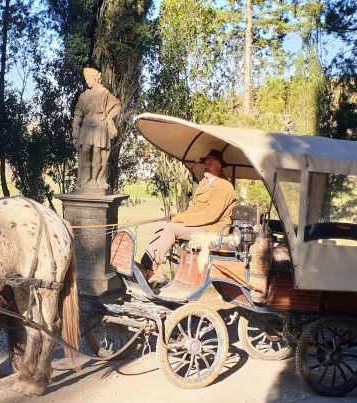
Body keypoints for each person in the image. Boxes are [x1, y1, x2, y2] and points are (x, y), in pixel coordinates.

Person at [139, 150, 236, 279]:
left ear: (219, 165)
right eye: (205, 162)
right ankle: (144, 264)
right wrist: (179, 216)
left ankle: (148, 270)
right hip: (202, 225)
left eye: (210, 162)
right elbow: (196, 210)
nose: (206, 164)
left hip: (213, 229)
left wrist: (182, 219)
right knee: (165, 226)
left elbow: (211, 215)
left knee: (171, 228)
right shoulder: (205, 183)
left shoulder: (224, 186)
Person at [71, 67, 121, 193]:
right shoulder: (84, 96)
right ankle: (85, 179)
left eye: (88, 79)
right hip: (87, 126)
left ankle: (96, 180)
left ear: (95, 79)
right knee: (86, 150)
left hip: (100, 125)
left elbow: (117, 105)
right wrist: (75, 129)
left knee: (98, 152)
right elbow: (78, 114)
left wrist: (109, 118)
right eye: (86, 79)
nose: (87, 81)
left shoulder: (104, 93)